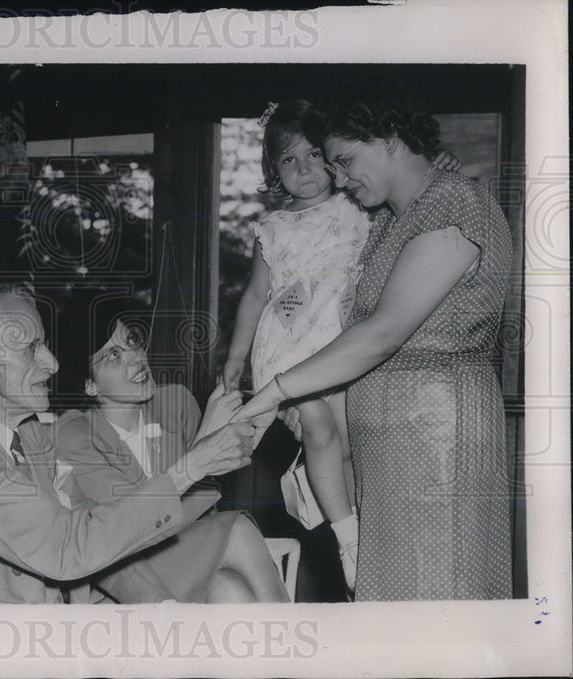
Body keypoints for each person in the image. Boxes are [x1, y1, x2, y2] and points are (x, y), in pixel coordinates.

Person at [235, 95, 514, 601]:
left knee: (436, 596)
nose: (337, 179)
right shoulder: (390, 218)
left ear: (388, 138)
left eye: (343, 161)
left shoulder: (453, 206)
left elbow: (384, 332)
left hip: (436, 437)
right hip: (384, 449)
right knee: (390, 600)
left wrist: (278, 389)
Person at [0, 285, 263, 603]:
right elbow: (67, 548)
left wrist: (160, 606)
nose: (53, 364)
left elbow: (90, 527)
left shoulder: (27, 430)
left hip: (52, 629)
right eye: (33, 348)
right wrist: (194, 465)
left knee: (230, 593)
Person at [221, 100, 369, 592]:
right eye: (289, 160)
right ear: (274, 170)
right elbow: (255, 296)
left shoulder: (359, 207)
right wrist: (236, 358)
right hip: (289, 349)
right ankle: (348, 540)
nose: (304, 169)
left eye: (313, 155)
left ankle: (318, 494)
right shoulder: (275, 227)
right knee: (322, 433)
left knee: (344, 447)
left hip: (341, 345)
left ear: (332, 157)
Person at [55, 292, 289, 603]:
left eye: (133, 342)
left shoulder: (175, 403)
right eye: (113, 355)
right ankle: (295, 643)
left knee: (232, 592)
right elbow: (133, 520)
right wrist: (205, 439)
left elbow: (204, 507)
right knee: (238, 530)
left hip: (185, 554)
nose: (136, 358)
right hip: (125, 575)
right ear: (89, 384)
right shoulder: (74, 434)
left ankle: (285, 644)